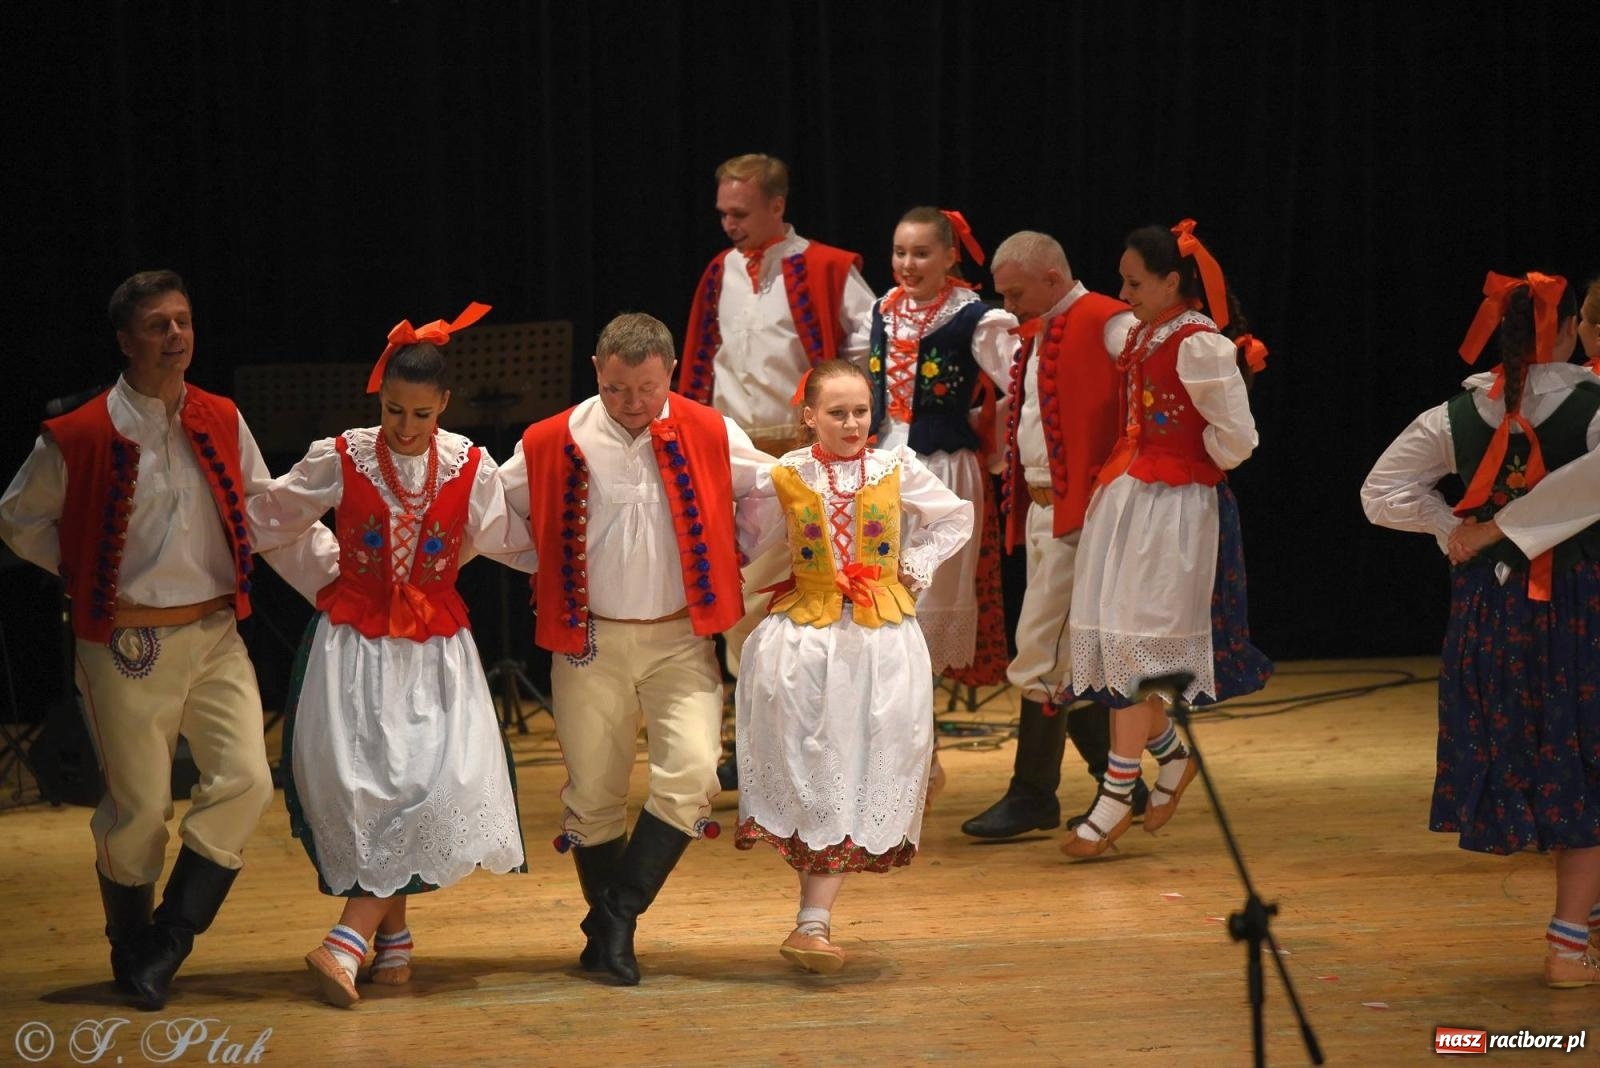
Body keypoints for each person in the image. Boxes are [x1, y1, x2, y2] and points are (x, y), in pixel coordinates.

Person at [0, 270, 336, 1010]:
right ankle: (130, 942)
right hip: (127, 643)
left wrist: (337, 577)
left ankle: (171, 936)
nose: (177, 336)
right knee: (141, 806)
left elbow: (261, 510)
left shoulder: (219, 414)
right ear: (125, 340)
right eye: (159, 325)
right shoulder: (81, 433)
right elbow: (19, 518)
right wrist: (81, 572)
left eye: (183, 321)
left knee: (248, 777)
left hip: (215, 631)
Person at [245, 303, 533, 1007]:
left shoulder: (469, 465)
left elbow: (508, 539)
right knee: (374, 789)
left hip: (432, 648)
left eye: (421, 415)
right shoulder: (343, 455)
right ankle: (392, 942)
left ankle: (347, 940)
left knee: (432, 784)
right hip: (356, 644)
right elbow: (266, 520)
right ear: (379, 399)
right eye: (394, 410)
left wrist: (444, 569)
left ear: (444, 406)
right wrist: (329, 572)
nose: (405, 428)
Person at [500, 311, 771, 985]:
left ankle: (613, 917)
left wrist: (739, 553)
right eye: (617, 388)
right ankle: (614, 936)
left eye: (646, 388)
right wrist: (548, 564)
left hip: (680, 637)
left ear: (670, 374)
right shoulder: (551, 438)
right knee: (593, 794)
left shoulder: (711, 429)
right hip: (589, 638)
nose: (632, 404)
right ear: (597, 371)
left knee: (693, 775)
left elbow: (769, 492)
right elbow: (495, 514)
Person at [1366, 270, 1600, 986]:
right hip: (1576, 605)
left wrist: (1458, 530)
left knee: (1540, 751)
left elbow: (1379, 492)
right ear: (1565, 330)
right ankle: (1567, 943)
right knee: (1580, 759)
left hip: (1491, 613)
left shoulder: (1458, 411)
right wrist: (1485, 528)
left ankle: (1581, 923)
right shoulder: (1591, 405)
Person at [734, 359, 971, 972]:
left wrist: (912, 570)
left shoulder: (894, 467)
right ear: (808, 416)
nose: (851, 423)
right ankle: (811, 920)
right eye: (836, 412)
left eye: (860, 411)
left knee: (863, 764)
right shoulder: (785, 474)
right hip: (807, 640)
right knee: (816, 764)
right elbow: (751, 539)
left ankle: (812, 921)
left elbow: (954, 515)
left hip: (879, 638)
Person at [1063, 220, 1273, 859]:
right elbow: (1108, 328)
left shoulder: (1199, 344)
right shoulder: (1144, 331)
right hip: (1129, 499)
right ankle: (1172, 757)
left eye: (1134, 281)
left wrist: (1191, 456)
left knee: (1140, 655)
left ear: (1171, 281)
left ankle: (1114, 795)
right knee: (1127, 652)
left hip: (1172, 509)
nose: (1123, 292)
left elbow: (1238, 437)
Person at [676, 153, 877, 784]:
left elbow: (871, 344)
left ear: (776, 207)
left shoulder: (829, 267)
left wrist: (837, 419)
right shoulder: (720, 271)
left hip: (804, 452)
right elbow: (702, 362)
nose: (729, 224)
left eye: (740, 213)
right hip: (735, 455)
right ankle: (757, 742)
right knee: (740, 605)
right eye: (723, 213)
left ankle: (821, 744)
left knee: (813, 598)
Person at [960, 232, 1144, 840]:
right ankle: (1121, 783)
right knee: (1066, 658)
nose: (1008, 305)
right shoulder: (1038, 331)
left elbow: (1151, 398)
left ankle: (1035, 792)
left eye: (1015, 292)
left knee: (1041, 653)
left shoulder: (1108, 322)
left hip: (1082, 516)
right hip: (1046, 512)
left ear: (1050, 276)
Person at [867, 207, 1014, 688]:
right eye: (900, 251)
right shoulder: (884, 309)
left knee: (929, 596)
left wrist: (985, 432)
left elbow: (1021, 385)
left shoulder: (976, 317)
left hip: (943, 470)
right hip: (884, 465)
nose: (907, 264)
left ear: (950, 256)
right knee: (881, 596)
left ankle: (923, 749)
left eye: (921, 253)